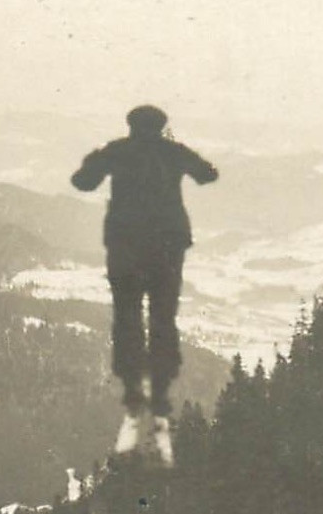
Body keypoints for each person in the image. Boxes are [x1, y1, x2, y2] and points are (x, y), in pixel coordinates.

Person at [72, 104, 218, 464]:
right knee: (163, 315)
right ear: (162, 125)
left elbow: (83, 181)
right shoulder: (173, 152)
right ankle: (162, 388)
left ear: (131, 125)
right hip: (168, 243)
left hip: (125, 243)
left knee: (127, 315)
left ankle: (133, 387)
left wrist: (94, 158)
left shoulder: (117, 151)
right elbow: (208, 175)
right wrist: (176, 151)